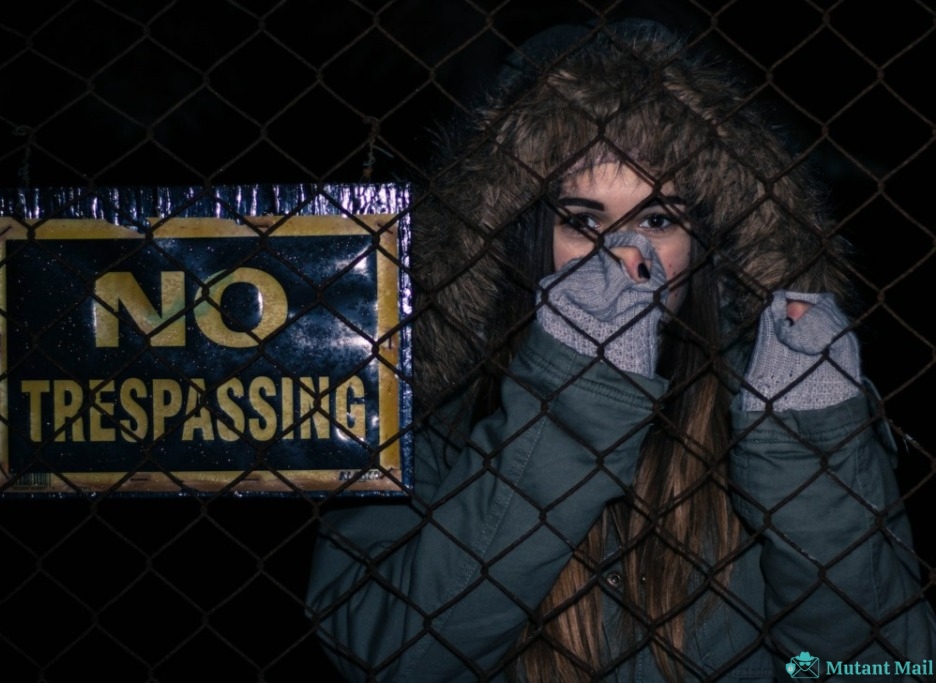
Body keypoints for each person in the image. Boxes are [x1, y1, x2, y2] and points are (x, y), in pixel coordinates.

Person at [305, 18, 936, 682]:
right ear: (519, 235)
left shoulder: (785, 402)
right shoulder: (429, 415)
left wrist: (807, 457)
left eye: (658, 220)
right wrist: (571, 403)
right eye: (584, 222)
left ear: (708, 242)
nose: (626, 257)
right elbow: (393, 657)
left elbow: (877, 668)